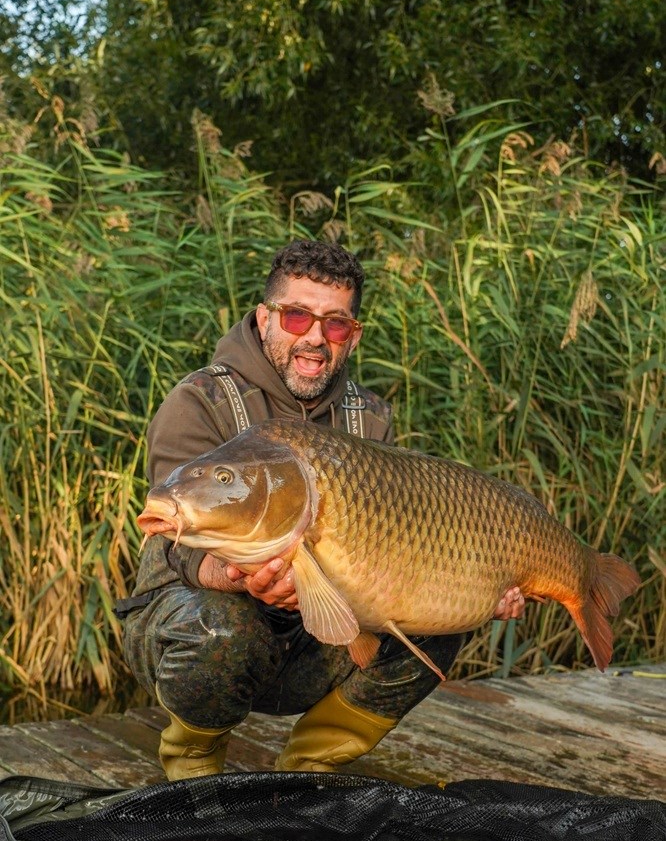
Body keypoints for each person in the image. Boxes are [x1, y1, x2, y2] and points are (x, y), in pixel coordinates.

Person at [118, 240, 524, 780]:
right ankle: (192, 763)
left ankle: (312, 766)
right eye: (296, 317)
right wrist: (233, 576)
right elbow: (180, 546)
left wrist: (479, 586)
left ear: (352, 336)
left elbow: (392, 549)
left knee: (437, 619)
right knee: (222, 624)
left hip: (319, 628)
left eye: (334, 325)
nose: (314, 338)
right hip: (193, 630)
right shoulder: (200, 402)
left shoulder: (369, 418)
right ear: (265, 318)